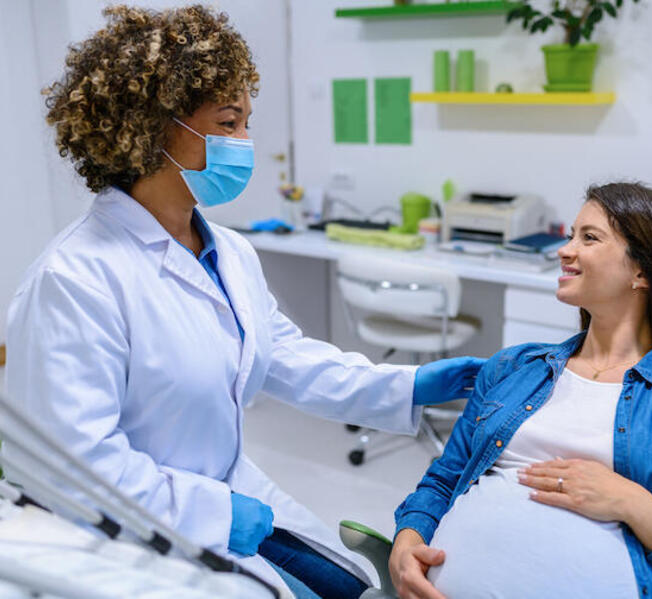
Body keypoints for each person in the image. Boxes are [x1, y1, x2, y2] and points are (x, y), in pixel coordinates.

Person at [3, 6, 483, 598]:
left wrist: (408, 386)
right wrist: (217, 512)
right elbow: (71, 471)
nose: (244, 143)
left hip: (231, 492)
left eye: (245, 123)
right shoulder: (75, 280)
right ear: (155, 126)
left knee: (355, 585)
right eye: (228, 123)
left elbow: (283, 355)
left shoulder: (227, 251)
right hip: (140, 532)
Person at [390, 183, 652, 599]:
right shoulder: (514, 368)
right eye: (571, 235)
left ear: (642, 272)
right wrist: (407, 541)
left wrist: (635, 505)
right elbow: (443, 482)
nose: (564, 250)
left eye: (588, 238)